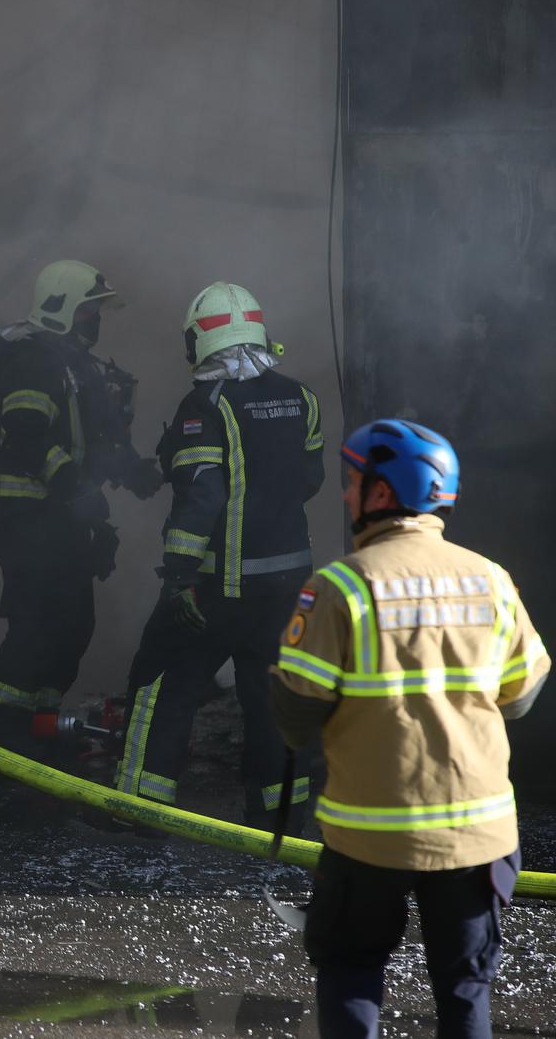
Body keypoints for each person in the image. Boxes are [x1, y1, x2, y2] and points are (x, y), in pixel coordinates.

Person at [271, 418, 546, 1039]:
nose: (345, 494)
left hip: (368, 837)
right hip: (477, 833)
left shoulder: (340, 586)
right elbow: (523, 695)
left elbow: (297, 711)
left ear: (383, 494)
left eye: (352, 482)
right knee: (464, 986)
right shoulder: (492, 580)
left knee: (352, 970)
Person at [111, 282, 324, 829]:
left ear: (200, 341)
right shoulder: (301, 398)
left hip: (217, 587)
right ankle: (281, 817)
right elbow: (310, 479)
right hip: (288, 586)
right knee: (274, 696)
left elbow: (204, 494)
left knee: (163, 683)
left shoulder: (205, 405)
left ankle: (141, 808)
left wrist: (179, 577)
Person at [0, 259, 162, 761]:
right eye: (90, 310)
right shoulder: (33, 361)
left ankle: (38, 723)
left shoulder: (74, 365)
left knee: (74, 624)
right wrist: (72, 486)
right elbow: (27, 435)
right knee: (36, 624)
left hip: (62, 523)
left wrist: (141, 472)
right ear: (64, 309)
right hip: (27, 520)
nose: (96, 320)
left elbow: (96, 444)